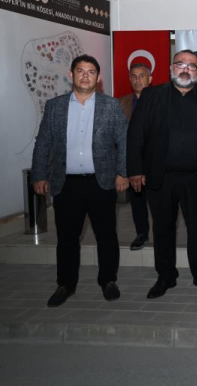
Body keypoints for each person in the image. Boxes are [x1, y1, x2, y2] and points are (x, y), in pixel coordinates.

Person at [32, 55, 128, 308]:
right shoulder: (55, 106)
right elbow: (43, 142)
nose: (85, 76)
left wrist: (122, 172)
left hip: (101, 183)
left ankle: (108, 280)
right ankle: (65, 284)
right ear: (71, 74)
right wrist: (39, 174)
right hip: (66, 184)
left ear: (98, 77)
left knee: (106, 235)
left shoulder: (110, 106)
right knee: (66, 237)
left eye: (91, 71)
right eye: (80, 71)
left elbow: (123, 141)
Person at [127, 50, 197, 299]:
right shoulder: (151, 96)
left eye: (191, 66)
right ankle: (165, 276)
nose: (185, 70)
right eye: (181, 64)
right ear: (171, 68)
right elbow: (136, 135)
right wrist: (135, 170)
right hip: (160, 177)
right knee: (162, 229)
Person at [118, 62, 153, 250]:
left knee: (160, 205)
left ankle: (163, 236)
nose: (137, 80)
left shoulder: (160, 101)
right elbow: (116, 139)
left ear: (150, 78)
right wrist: (122, 170)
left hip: (156, 163)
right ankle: (141, 233)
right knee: (137, 202)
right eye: (133, 76)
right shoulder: (120, 103)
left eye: (142, 76)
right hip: (133, 163)